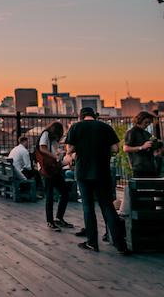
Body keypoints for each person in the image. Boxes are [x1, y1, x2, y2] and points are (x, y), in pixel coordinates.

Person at [65, 107, 129, 255]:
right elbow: (115, 149)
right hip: (102, 170)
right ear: (94, 116)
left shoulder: (76, 127)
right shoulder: (105, 127)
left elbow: (70, 150)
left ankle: (92, 242)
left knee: (88, 206)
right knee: (107, 206)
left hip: (84, 171)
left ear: (81, 116)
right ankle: (120, 245)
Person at [38, 122, 72, 231]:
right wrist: (55, 157)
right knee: (50, 195)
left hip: (53, 168)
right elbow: (42, 148)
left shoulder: (51, 138)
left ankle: (58, 218)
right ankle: (50, 221)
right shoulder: (46, 135)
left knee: (64, 192)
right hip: (47, 168)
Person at [123, 111, 160, 178]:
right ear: (140, 120)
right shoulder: (131, 132)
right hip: (139, 167)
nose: (147, 124)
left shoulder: (146, 133)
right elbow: (126, 148)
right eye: (146, 122)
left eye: (149, 123)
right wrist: (141, 147)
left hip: (150, 166)